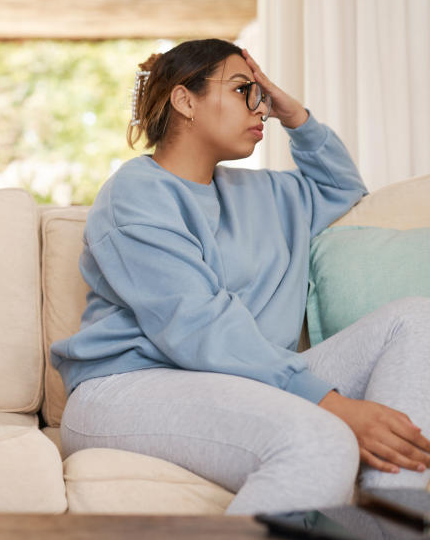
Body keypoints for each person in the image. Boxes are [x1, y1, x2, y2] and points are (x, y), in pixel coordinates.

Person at [50, 38, 430, 515]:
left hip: (252, 379)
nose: (260, 108)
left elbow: (344, 189)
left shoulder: (268, 194)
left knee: (416, 320)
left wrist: (296, 118)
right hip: (131, 387)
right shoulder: (136, 193)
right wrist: (332, 404)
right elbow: (198, 325)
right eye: (242, 90)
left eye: (261, 94)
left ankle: (393, 520)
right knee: (320, 439)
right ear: (185, 100)